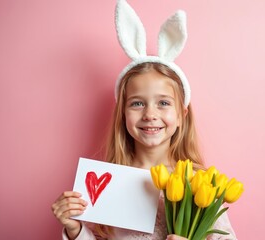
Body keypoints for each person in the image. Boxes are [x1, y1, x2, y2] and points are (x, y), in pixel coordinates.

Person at [52, 1, 237, 239]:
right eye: (137, 103)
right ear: (123, 114)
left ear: (182, 115)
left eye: (163, 103)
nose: (150, 114)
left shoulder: (200, 183)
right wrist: (75, 229)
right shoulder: (107, 184)